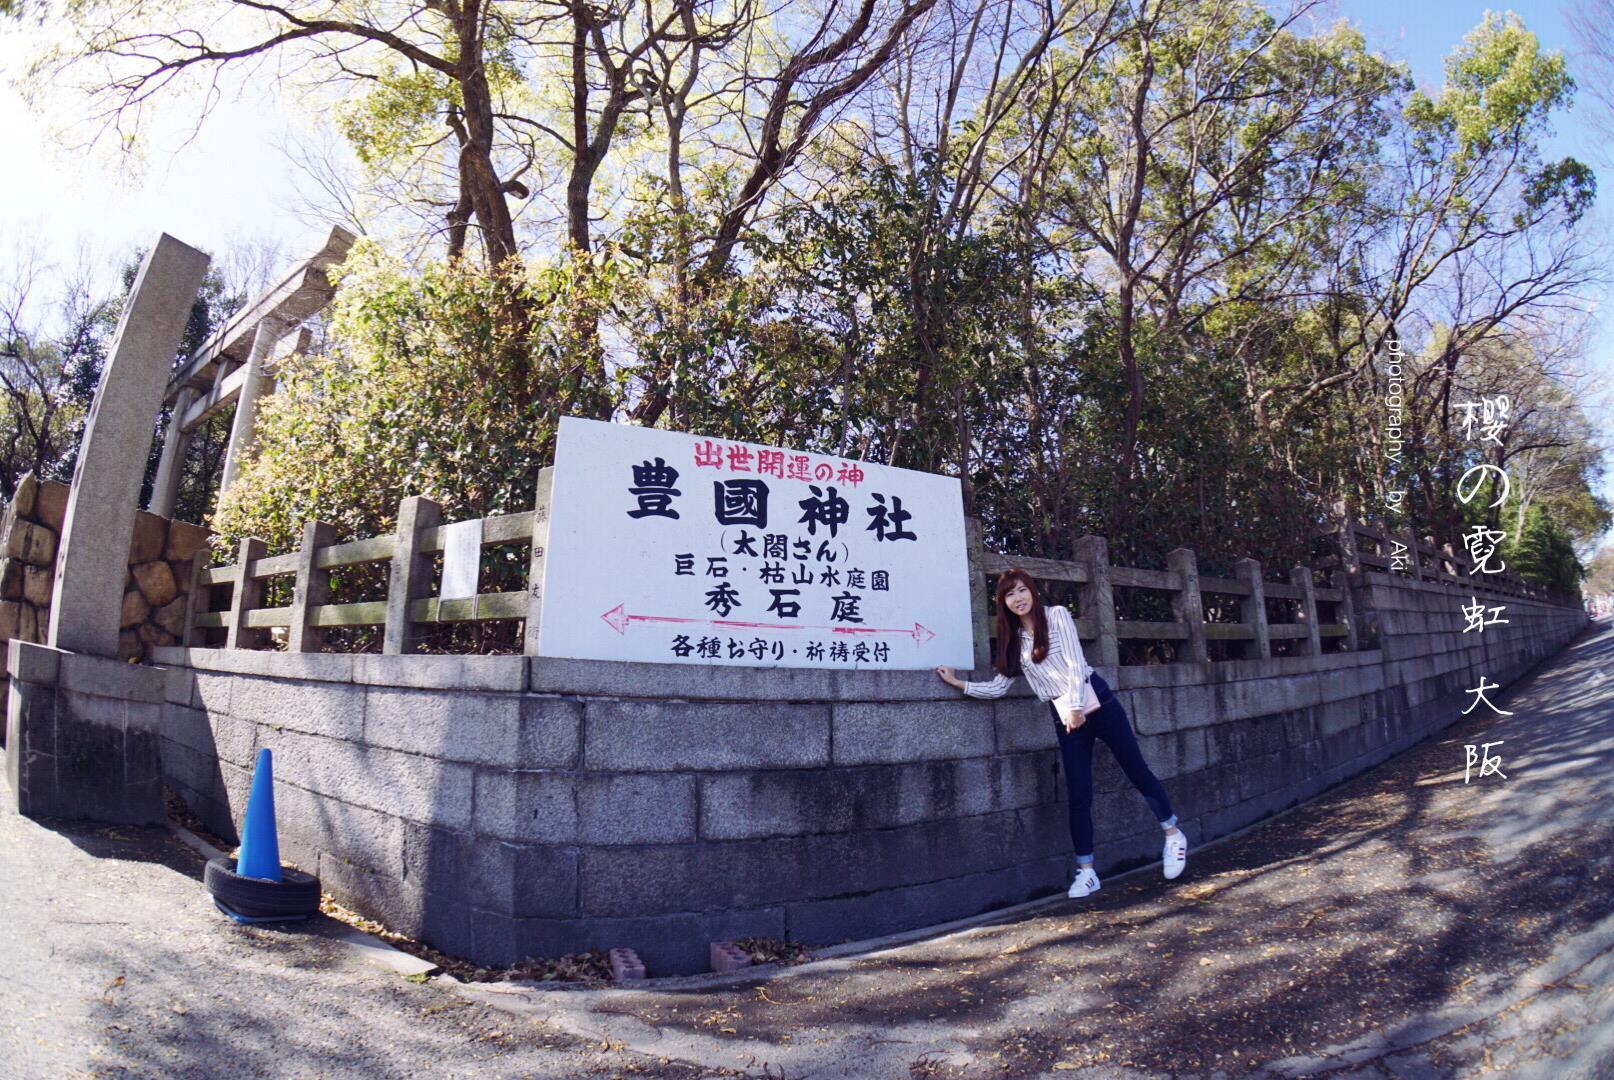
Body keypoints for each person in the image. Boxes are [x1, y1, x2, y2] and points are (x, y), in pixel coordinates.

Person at [935, 568, 1187, 898]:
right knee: (1079, 793)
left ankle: (1172, 834)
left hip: (1096, 702)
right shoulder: (1013, 641)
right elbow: (999, 686)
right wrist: (959, 683)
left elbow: (1074, 664)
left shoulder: (1056, 616)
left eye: (1022, 590)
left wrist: (1077, 707)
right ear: (1003, 603)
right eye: (1010, 594)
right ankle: (1087, 872)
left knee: (1136, 769)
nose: (1018, 598)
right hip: (1065, 715)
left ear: (1033, 592)